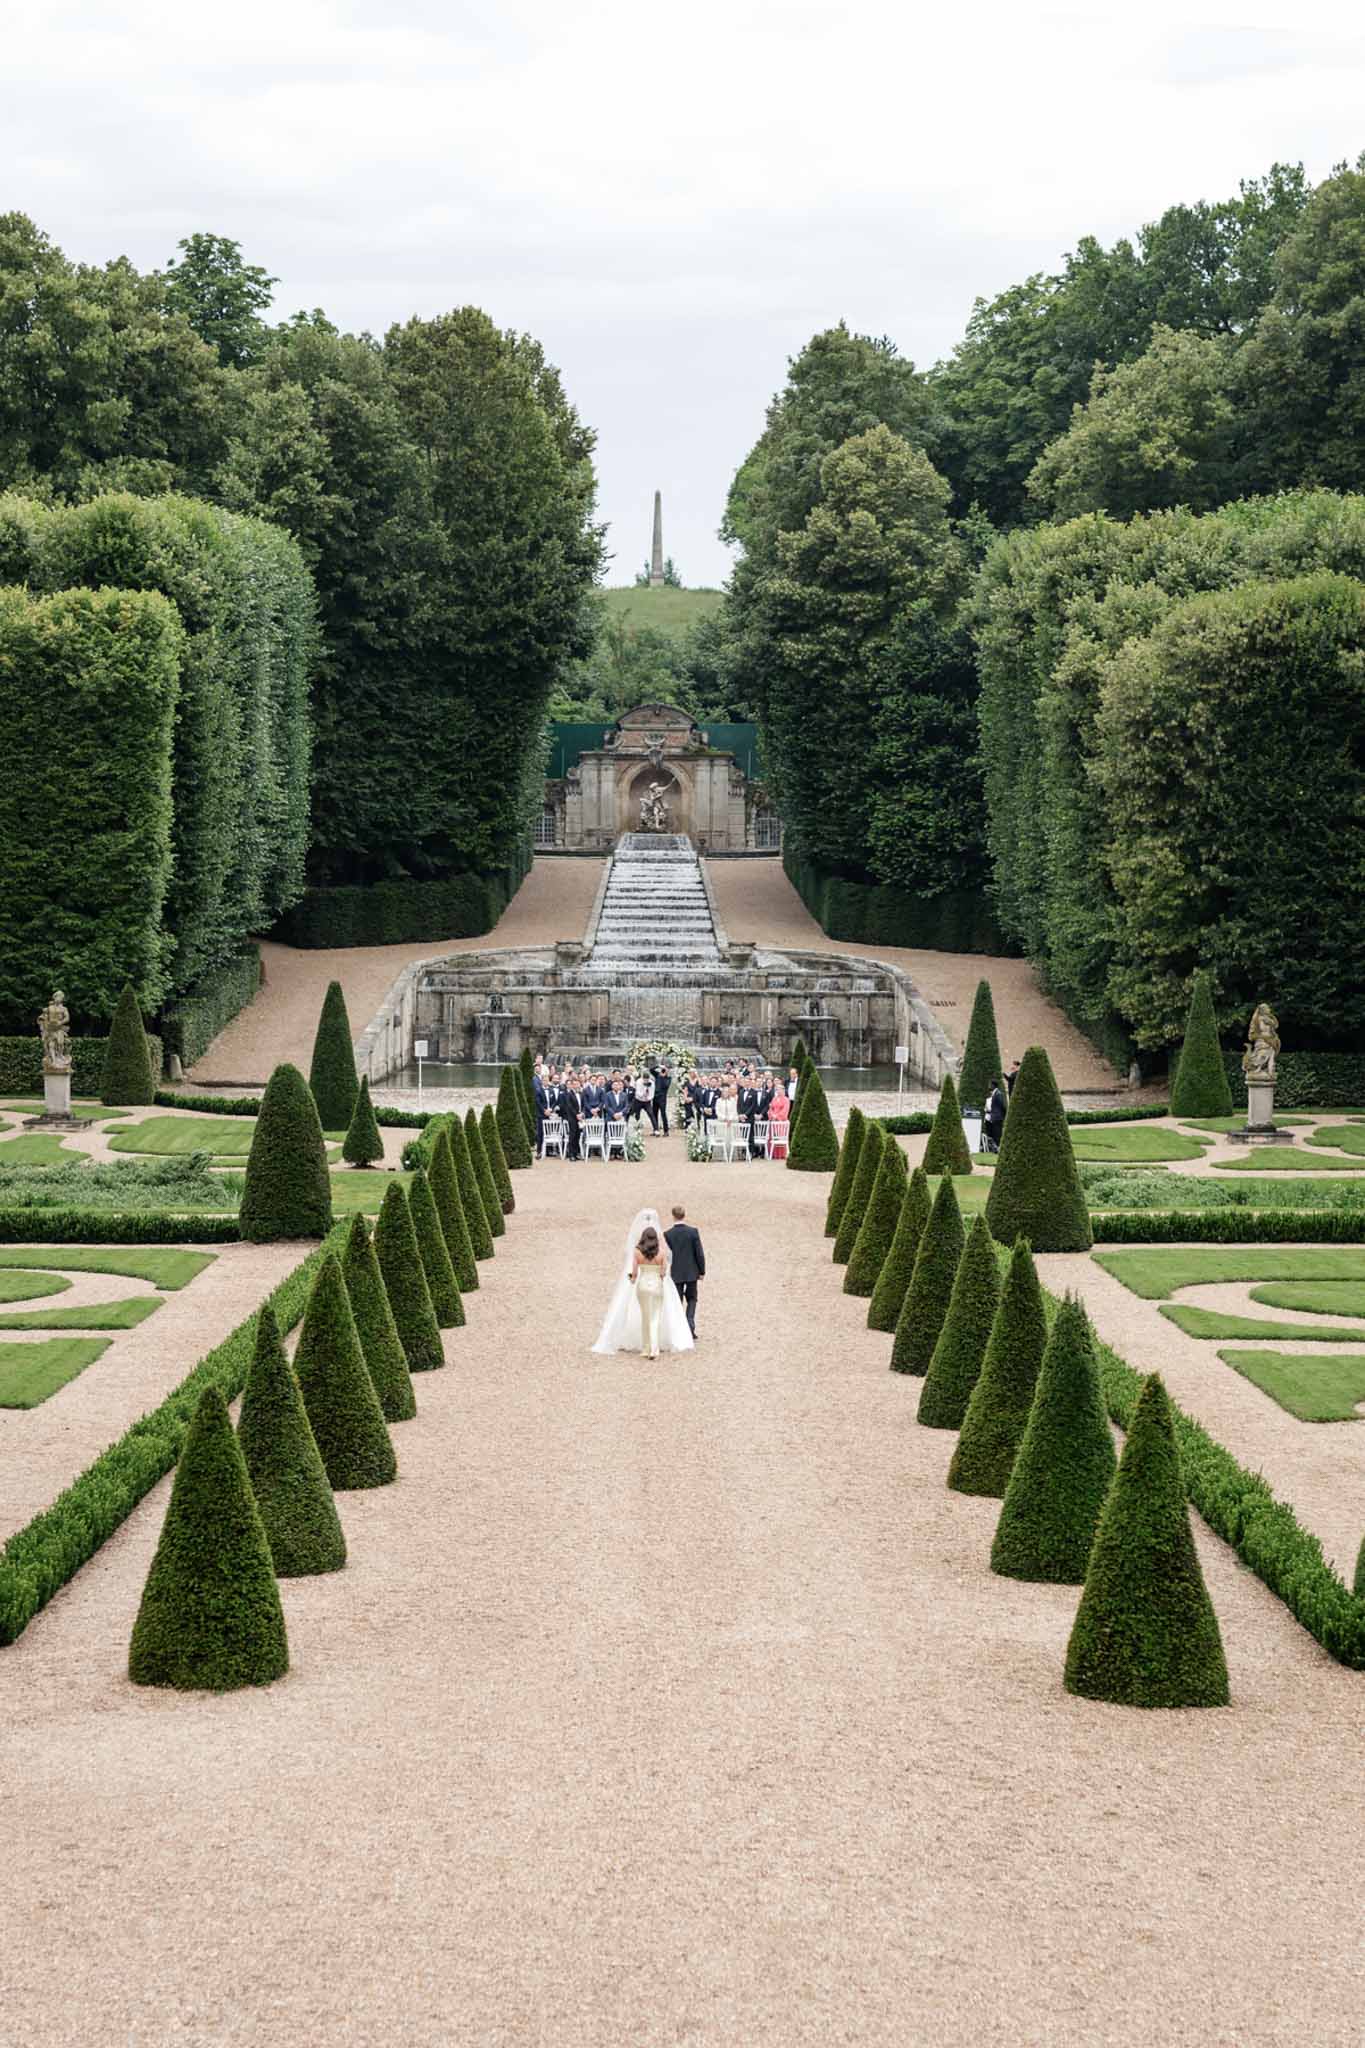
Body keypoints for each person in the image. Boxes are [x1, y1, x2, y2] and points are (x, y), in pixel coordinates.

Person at [591, 1206, 695, 1356]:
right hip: (657, 1286)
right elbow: (664, 1272)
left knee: (645, 1316)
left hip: (642, 1286)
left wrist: (632, 1279)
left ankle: (646, 1348)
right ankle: (654, 1347)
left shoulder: (637, 1252)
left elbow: (633, 1273)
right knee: (656, 1316)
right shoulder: (661, 1253)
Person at [664, 1205, 705, 1339]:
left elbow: (668, 1254)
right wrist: (702, 1270)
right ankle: (690, 1325)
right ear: (684, 1215)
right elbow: (699, 1253)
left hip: (676, 1272)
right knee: (692, 1299)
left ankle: (679, 1329)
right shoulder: (693, 1232)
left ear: (673, 1216)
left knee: (678, 1301)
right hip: (692, 1271)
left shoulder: (668, 1234)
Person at [982, 1077, 1007, 1154]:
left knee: (997, 1134)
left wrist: (1001, 1115)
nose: (989, 1086)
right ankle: (995, 1149)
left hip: (997, 1117)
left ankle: (998, 1149)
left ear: (993, 1085)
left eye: (990, 1084)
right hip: (995, 1117)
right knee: (995, 1134)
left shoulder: (998, 1094)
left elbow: (1003, 1106)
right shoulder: (995, 1093)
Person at [767, 1078, 790, 1160]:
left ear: (783, 1090)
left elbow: (785, 1110)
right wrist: (772, 1115)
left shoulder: (786, 1100)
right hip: (773, 1122)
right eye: (777, 1090)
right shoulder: (774, 1099)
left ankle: (781, 1154)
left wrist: (777, 1117)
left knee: (780, 1136)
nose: (778, 1091)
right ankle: (773, 1154)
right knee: (771, 1136)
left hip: (781, 1123)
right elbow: (771, 1108)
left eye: (779, 1090)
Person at [653, 1062, 672, 1135]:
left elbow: (665, 1086)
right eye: (663, 1070)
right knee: (654, 1114)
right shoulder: (657, 1075)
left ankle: (666, 1131)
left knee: (663, 1114)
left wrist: (663, 1076)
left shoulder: (668, 1078)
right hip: (655, 1097)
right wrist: (659, 1066)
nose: (663, 1071)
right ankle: (656, 1130)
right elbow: (651, 1070)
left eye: (665, 1070)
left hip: (662, 1099)